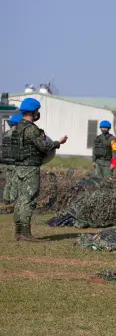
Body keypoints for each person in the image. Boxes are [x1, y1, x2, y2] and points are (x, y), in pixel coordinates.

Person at [8, 98, 67, 241]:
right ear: (33, 111)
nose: (37, 114)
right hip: (30, 168)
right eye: (37, 111)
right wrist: (58, 142)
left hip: (19, 167)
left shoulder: (17, 129)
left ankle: (18, 232)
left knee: (20, 199)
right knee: (29, 199)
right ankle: (26, 234)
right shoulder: (31, 129)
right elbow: (44, 147)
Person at [1, 114, 22, 204]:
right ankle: (13, 200)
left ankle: (6, 199)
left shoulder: (6, 133)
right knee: (15, 181)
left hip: (7, 160)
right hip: (15, 161)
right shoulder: (18, 134)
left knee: (9, 180)